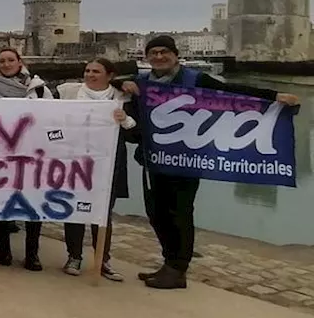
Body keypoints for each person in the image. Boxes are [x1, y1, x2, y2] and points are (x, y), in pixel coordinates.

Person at [122, 35, 298, 290]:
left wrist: (273, 96)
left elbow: (232, 94)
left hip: (186, 160)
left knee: (179, 213)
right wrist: (125, 85)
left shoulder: (195, 79)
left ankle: (178, 269)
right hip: (154, 160)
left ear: (175, 55)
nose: (159, 57)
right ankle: (168, 263)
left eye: (164, 52)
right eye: (154, 53)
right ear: (147, 57)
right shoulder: (142, 84)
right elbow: (115, 88)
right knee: (156, 213)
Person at [57, 58, 138, 281]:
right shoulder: (68, 93)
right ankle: (74, 256)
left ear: (110, 76)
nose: (90, 75)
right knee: (74, 209)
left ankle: (103, 259)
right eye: (87, 71)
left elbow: (135, 135)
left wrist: (126, 120)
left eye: (96, 71)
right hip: (76, 161)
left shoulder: (122, 97)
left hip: (109, 163)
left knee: (103, 213)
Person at [0, 47, 53, 270]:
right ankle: (4, 250)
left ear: (19, 61)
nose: (6, 64)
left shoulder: (38, 88)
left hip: (33, 153)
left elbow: (53, 116)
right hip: (2, 153)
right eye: (1, 61)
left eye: (10, 60)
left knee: (33, 203)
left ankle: (32, 254)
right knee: (3, 202)